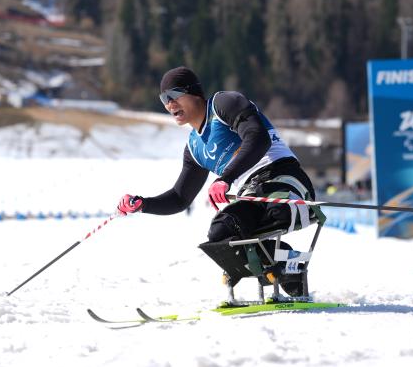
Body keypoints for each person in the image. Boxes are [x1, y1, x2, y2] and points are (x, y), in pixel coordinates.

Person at [116, 66, 323, 294]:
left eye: (174, 95)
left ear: (194, 92)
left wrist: (225, 179)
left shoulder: (223, 104)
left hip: (283, 176)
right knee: (221, 233)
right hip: (252, 193)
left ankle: (286, 267)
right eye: (164, 99)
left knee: (275, 212)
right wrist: (143, 204)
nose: (169, 104)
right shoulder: (194, 147)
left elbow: (258, 138)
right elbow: (179, 198)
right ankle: (287, 266)